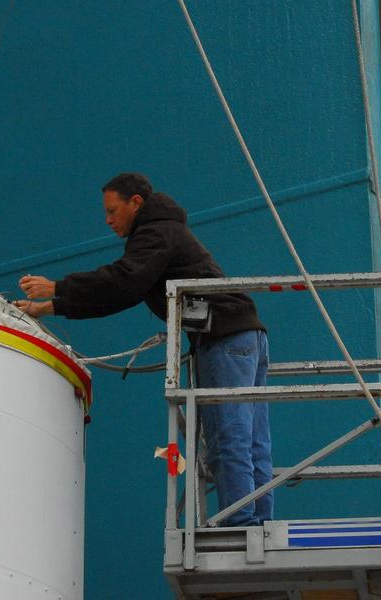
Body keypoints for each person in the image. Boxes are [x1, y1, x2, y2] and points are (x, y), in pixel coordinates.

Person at [14, 172, 273, 526]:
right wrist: (54, 306)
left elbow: (123, 280)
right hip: (244, 335)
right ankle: (256, 521)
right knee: (251, 438)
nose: (107, 220)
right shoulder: (165, 232)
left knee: (228, 437)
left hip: (224, 338)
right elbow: (125, 289)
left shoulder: (154, 232)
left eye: (112, 211)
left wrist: (58, 287)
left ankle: (241, 525)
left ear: (135, 203)